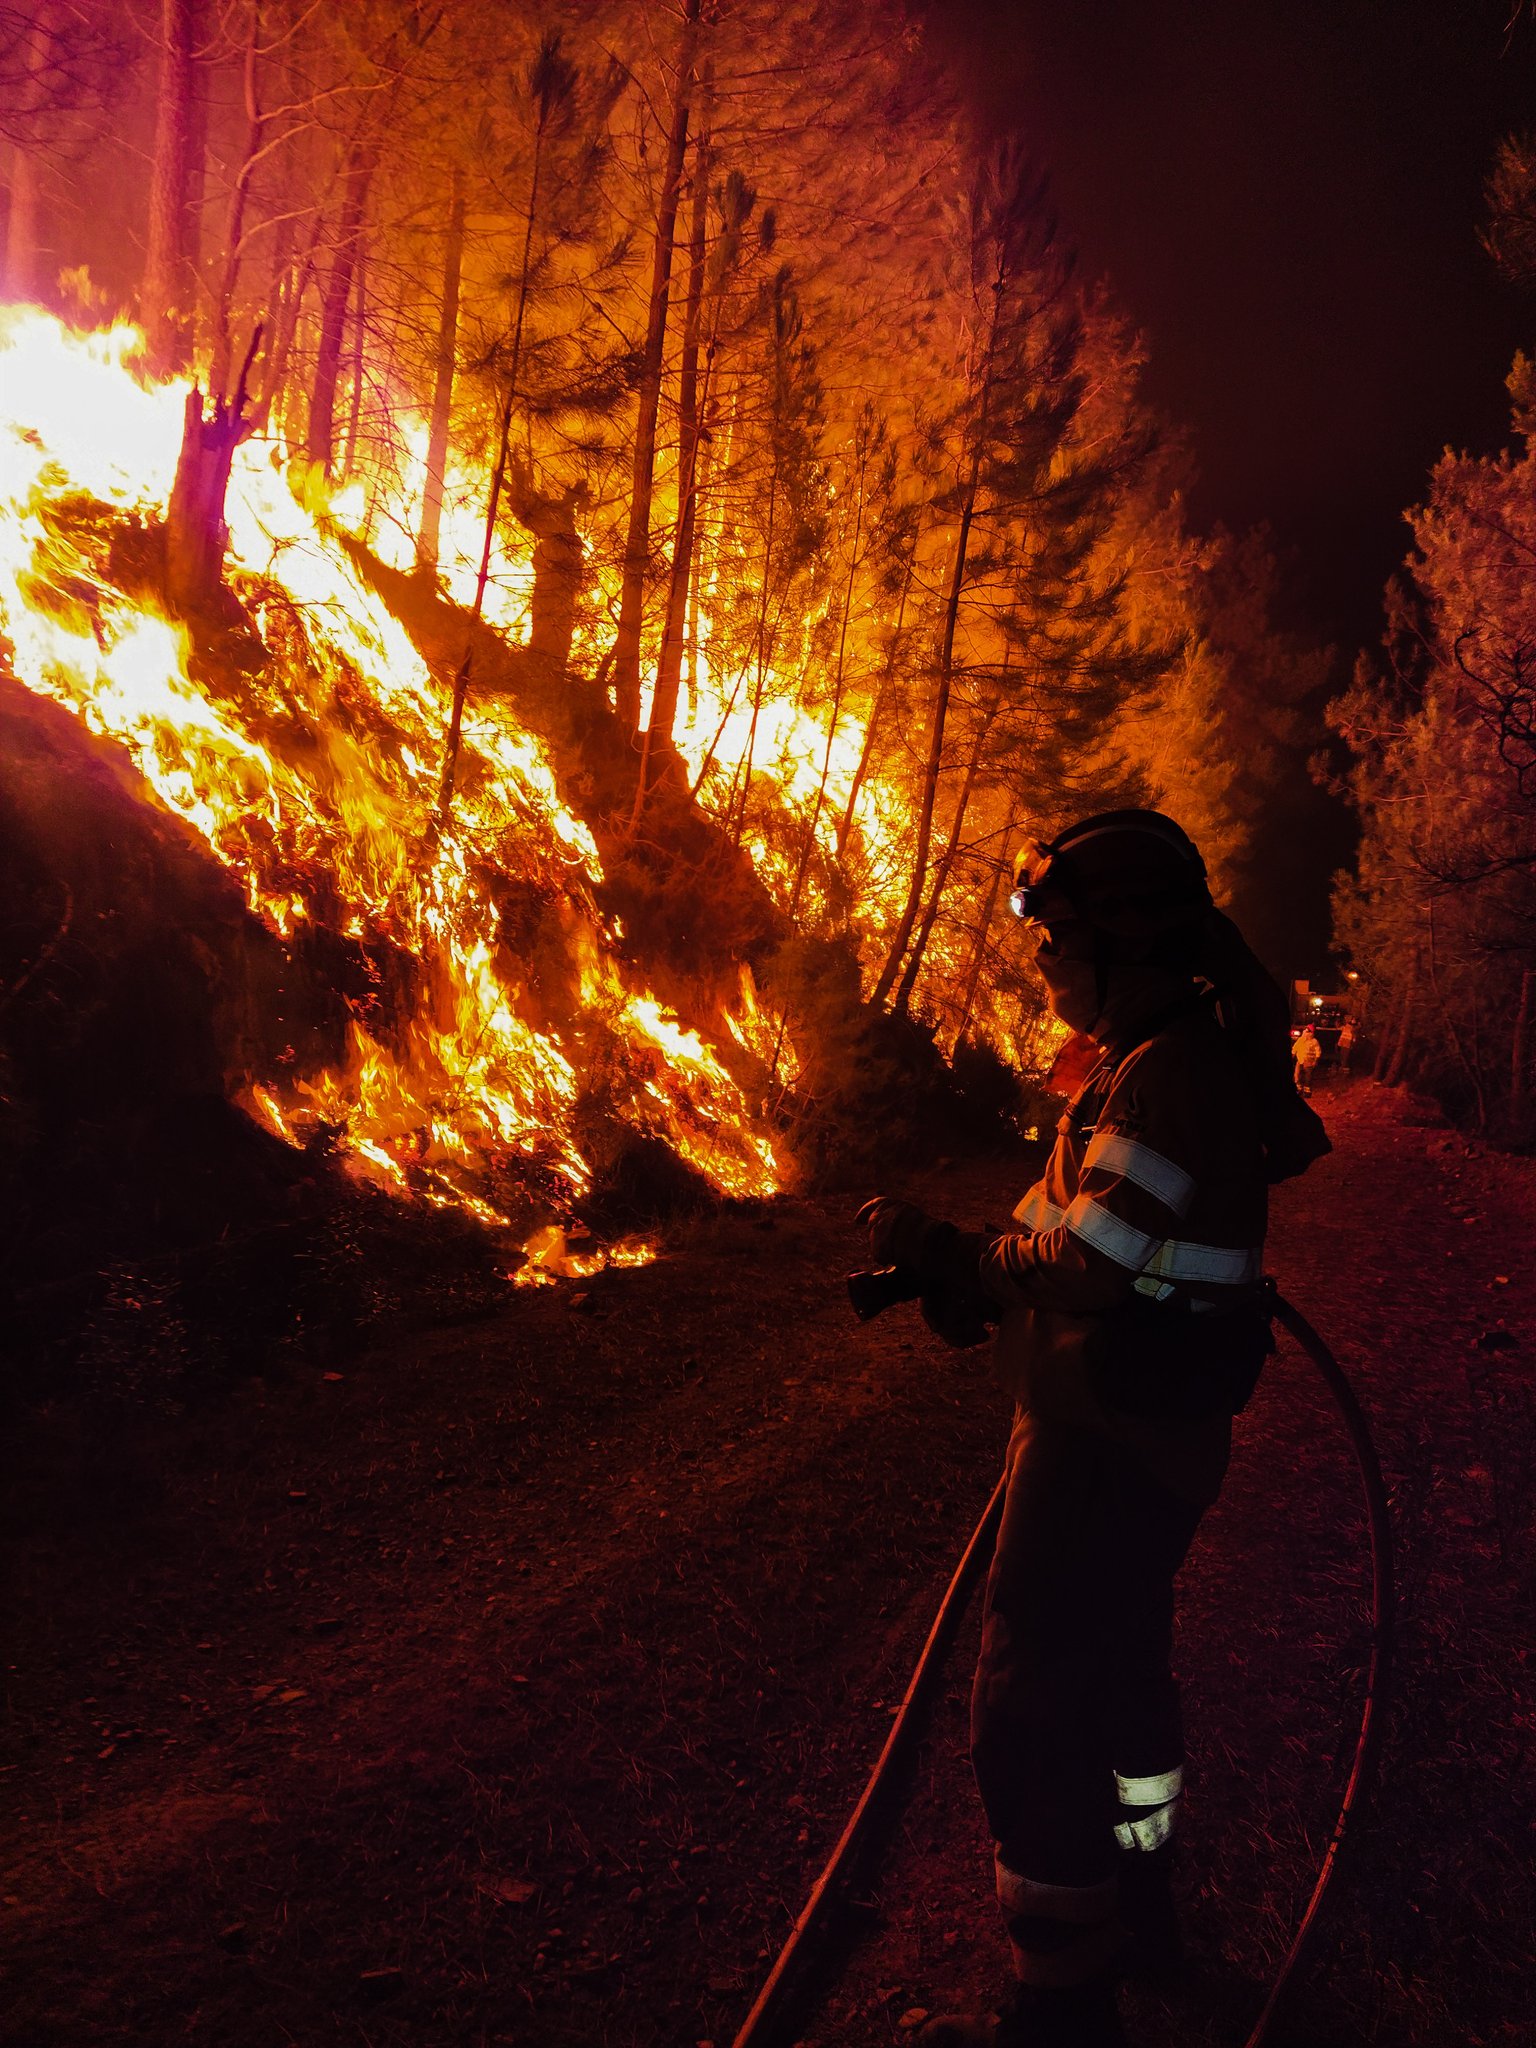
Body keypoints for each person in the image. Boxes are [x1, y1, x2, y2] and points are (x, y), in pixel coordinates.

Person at [860, 809, 1328, 2048]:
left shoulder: (1170, 1067)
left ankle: (1062, 2000)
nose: (1046, 964)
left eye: (1060, 940)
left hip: (1107, 1441)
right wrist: (965, 1276)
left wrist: (970, 1255)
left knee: (1027, 1704)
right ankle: (1144, 1896)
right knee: (1122, 1679)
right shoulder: (1142, 1061)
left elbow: (1091, 1258)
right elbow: (1058, 1220)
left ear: (1128, 941)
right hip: (1125, 1426)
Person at [1292, 1023, 1322, 1097]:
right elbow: (1295, 1048)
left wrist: (1315, 1061)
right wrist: (1293, 1054)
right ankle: (1299, 1089)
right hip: (1300, 1060)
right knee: (1297, 1075)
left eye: (1307, 1029)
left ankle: (1307, 1092)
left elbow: (1318, 1051)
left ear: (1310, 1032)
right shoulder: (1300, 1039)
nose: (1305, 1030)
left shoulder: (1314, 1041)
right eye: (1305, 1029)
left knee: (1307, 1077)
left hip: (1309, 1062)